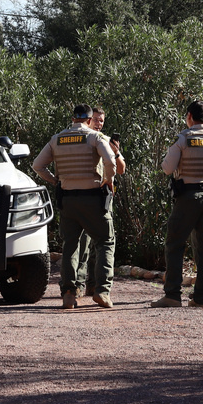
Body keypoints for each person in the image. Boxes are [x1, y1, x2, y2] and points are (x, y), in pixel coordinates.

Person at [33, 104, 117, 309]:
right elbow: (111, 161)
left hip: (68, 200)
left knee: (70, 245)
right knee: (105, 241)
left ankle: (69, 293)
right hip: (93, 199)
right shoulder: (95, 138)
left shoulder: (57, 139)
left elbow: (37, 166)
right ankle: (102, 291)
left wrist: (56, 181)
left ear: (73, 118)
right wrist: (108, 180)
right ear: (89, 120)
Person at [152, 100, 203, 308]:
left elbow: (167, 168)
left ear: (189, 116)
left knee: (175, 244)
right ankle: (201, 298)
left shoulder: (183, 138)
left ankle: (172, 295)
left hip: (187, 197)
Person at [76, 106, 127, 297]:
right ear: (88, 120)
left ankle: (95, 285)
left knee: (101, 243)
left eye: (102, 121)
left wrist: (116, 152)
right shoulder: (84, 139)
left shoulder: (104, 140)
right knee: (82, 242)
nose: (99, 124)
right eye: (96, 120)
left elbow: (121, 169)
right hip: (84, 194)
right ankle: (78, 285)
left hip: (103, 197)